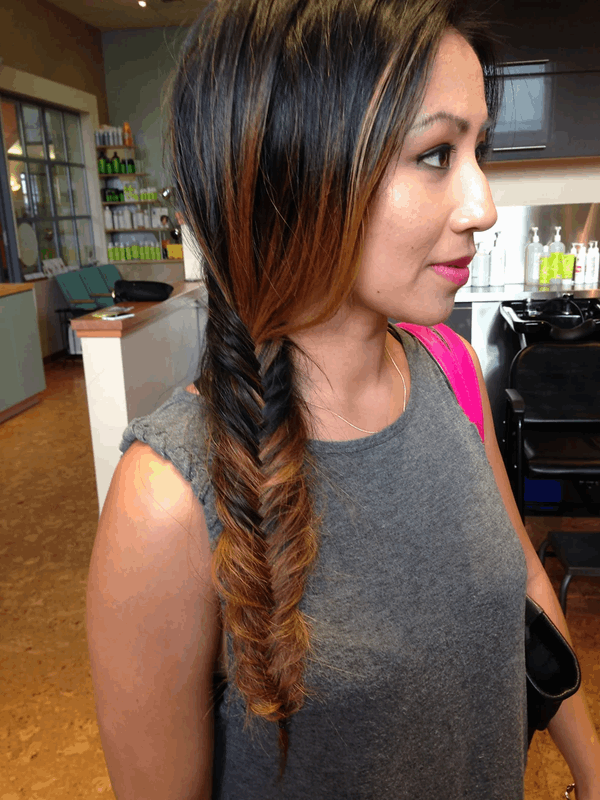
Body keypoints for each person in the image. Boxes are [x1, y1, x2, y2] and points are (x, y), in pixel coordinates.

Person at [85, 0, 600, 798]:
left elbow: (523, 578)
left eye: (480, 149)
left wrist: (592, 768)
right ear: (293, 171)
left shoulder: (451, 370)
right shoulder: (168, 503)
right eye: (435, 154)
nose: (484, 206)